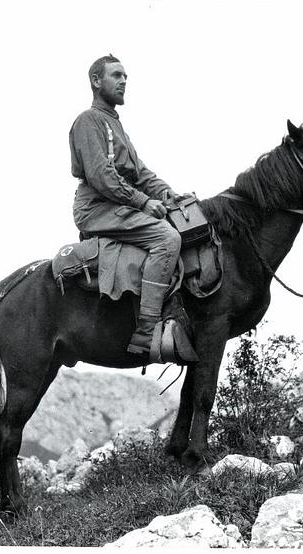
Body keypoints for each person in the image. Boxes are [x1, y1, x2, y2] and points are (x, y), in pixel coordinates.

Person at [69, 54, 182, 356]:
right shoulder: (88, 121)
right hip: (97, 207)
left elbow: (141, 174)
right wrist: (144, 202)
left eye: (125, 77)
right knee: (167, 238)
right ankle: (146, 333)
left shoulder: (115, 125)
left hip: (118, 204)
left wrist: (169, 195)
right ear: (96, 81)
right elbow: (101, 176)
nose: (123, 82)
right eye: (116, 75)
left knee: (181, 222)